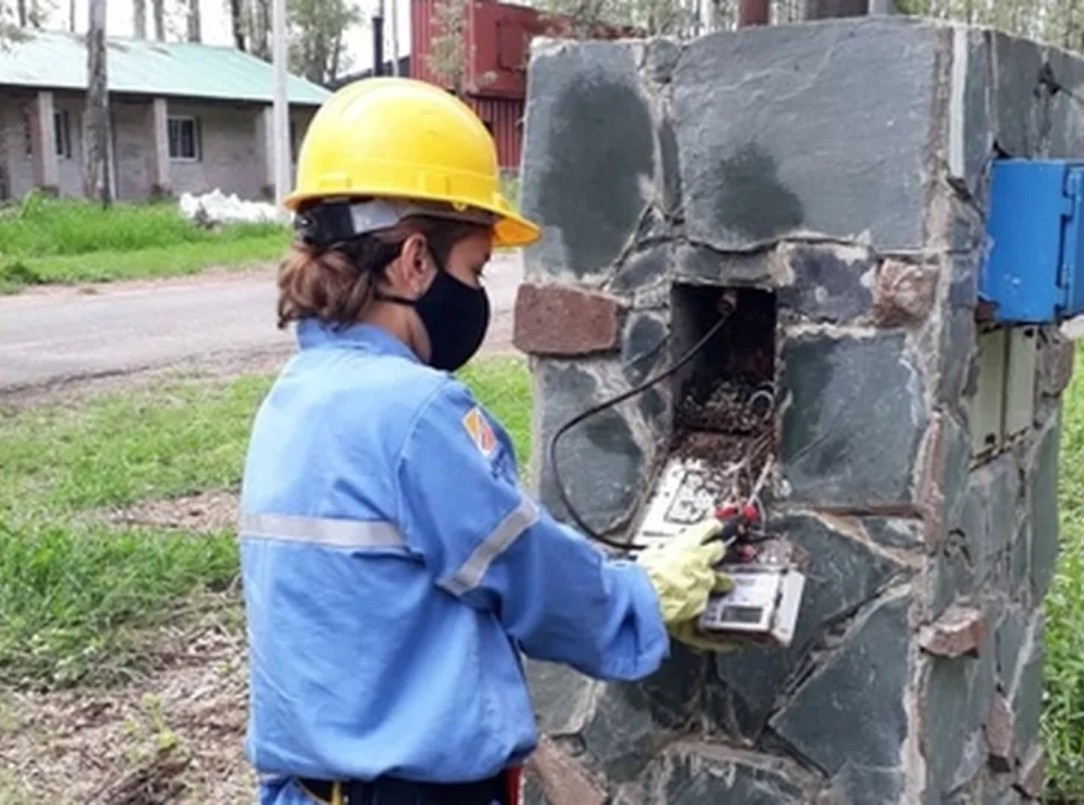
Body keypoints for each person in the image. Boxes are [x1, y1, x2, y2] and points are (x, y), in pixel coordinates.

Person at [237, 77, 733, 805]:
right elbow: (524, 572)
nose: (476, 294)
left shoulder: (292, 398)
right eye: (473, 268)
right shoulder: (414, 412)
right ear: (413, 261)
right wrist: (648, 593)